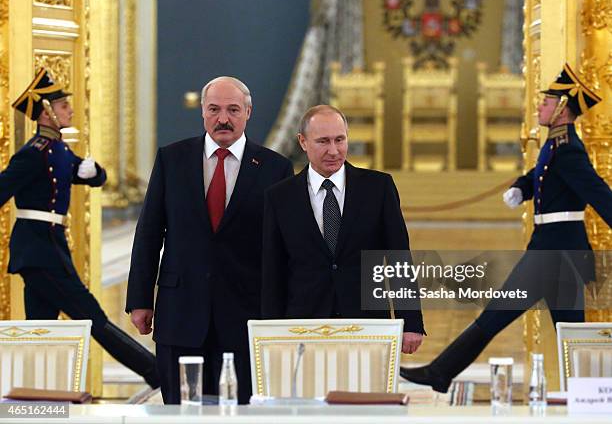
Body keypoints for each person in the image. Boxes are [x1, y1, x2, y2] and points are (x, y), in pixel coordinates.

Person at [401, 63, 612, 393]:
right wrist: (522, 187)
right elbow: (542, 175)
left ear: (561, 108)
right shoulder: (556, 143)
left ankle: (440, 372)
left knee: (511, 317)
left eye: (545, 103)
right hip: (554, 251)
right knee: (562, 328)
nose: (539, 107)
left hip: (557, 253)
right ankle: (589, 394)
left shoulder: (568, 148)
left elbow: (598, 192)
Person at [126, 76, 294, 404]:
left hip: (246, 316)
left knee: (240, 411)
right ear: (203, 112)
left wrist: (284, 312)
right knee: (180, 410)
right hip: (180, 314)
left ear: (248, 112)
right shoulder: (171, 160)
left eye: (233, 110)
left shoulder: (275, 168)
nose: (223, 119)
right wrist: (139, 299)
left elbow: (284, 248)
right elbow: (149, 232)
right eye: (214, 109)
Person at [3, 68, 160, 388]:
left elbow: (93, 176)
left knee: (42, 324)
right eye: (62, 106)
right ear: (46, 113)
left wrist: (93, 171)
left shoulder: (58, 149)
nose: (70, 110)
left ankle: (37, 388)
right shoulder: (32, 155)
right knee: (92, 317)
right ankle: (156, 372)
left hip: (48, 246)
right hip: (39, 249)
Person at [262, 105, 425, 354]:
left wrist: (411, 321)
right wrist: (270, 331)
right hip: (303, 326)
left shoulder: (378, 188)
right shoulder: (280, 197)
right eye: (323, 141)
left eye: (340, 140)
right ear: (303, 142)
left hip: (367, 323)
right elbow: (273, 270)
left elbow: (398, 258)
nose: (334, 150)